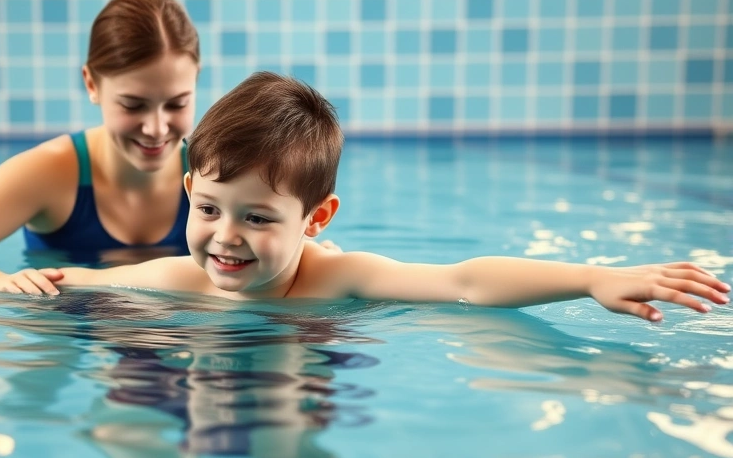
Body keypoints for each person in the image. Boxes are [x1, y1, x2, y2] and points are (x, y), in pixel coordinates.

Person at [46, 72, 730, 322]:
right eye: (210, 209)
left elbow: (463, 283)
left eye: (258, 219)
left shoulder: (337, 278)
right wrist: (20, 283)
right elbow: (76, 282)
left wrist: (590, 279)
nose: (225, 237)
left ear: (317, 220)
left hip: (315, 369)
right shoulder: (177, 279)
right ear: (189, 190)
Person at [0, 0, 201, 294]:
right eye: (133, 105)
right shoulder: (52, 173)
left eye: (177, 104)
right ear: (91, 84)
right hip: (60, 327)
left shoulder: (212, 173)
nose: (157, 128)